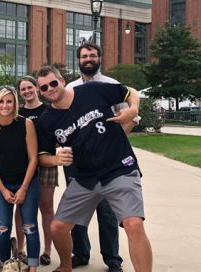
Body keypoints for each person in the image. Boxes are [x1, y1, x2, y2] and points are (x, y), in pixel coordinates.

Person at [35, 66, 152, 272]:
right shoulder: (46, 121)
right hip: (85, 178)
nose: (50, 89)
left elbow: (130, 92)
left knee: (133, 224)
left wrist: (133, 109)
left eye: (53, 83)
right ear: (40, 92)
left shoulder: (93, 90)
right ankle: (65, 265)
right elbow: (42, 155)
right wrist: (55, 159)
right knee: (58, 228)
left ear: (62, 81)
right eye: (44, 87)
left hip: (118, 168)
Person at [65, 43, 128, 272]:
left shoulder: (111, 85)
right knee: (77, 210)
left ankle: (112, 259)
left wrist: (115, 144)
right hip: (78, 161)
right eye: (84, 56)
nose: (88, 59)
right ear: (78, 60)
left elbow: (129, 116)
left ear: (100, 58)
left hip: (108, 162)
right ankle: (80, 253)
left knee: (107, 212)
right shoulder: (70, 89)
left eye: (92, 55)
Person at [0, 86, 40, 271]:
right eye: (1, 101)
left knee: (29, 227)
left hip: (27, 182)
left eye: (9, 101)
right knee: (3, 228)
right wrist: (3, 189)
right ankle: (6, 265)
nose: (5, 105)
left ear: (15, 103)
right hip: (2, 184)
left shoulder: (26, 124)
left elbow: (33, 158)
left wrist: (23, 188)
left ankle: (32, 266)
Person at [17, 75, 57, 266]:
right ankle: (20, 249)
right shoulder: (17, 112)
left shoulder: (49, 110)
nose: (27, 91)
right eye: (23, 89)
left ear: (37, 88)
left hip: (46, 161)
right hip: (22, 164)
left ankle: (47, 250)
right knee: (21, 207)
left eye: (30, 87)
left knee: (46, 207)